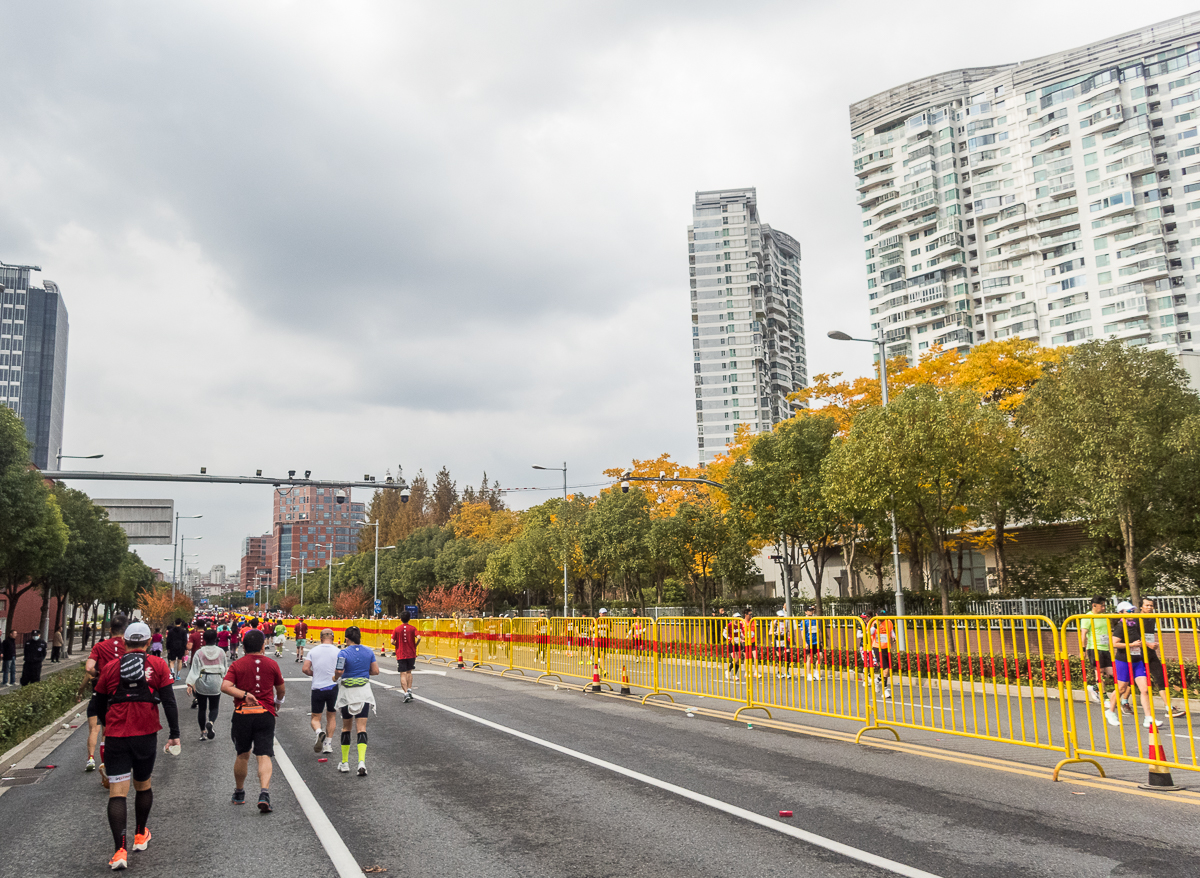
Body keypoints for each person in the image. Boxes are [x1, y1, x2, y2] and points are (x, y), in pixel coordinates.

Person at [91, 621, 180, 871]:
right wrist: (174, 733)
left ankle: (119, 851)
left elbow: (99, 700)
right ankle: (140, 835)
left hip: (117, 734)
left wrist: (105, 725)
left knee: (117, 791)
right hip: (146, 732)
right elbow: (169, 701)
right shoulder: (158, 664)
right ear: (148, 641)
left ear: (125, 642)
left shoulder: (110, 668)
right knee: (143, 785)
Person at [220, 628, 285, 812]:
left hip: (242, 713)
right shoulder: (272, 664)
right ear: (263, 646)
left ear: (243, 646)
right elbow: (281, 689)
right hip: (265, 714)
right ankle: (264, 793)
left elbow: (225, 686)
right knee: (264, 754)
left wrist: (244, 694)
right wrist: (278, 702)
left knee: (243, 754)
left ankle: (239, 792)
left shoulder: (237, 665)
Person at [85, 613, 129, 780]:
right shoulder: (128, 645)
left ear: (110, 630)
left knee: (102, 729)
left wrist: (98, 674)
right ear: (125, 631)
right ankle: (120, 765)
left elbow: (89, 667)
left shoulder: (100, 646)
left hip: (102, 692)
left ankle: (104, 765)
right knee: (119, 732)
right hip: (123, 693)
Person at [1105, 601, 1159, 729]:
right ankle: (1111, 712)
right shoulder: (1120, 627)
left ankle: (1148, 718)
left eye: (1132, 611)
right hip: (1123, 660)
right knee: (1121, 689)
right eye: (1128, 611)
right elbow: (1114, 644)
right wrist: (1131, 645)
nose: (1131, 613)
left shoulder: (1134, 624)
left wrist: (1148, 644)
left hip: (1137, 660)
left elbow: (1139, 639)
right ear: (1121, 613)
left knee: (1145, 689)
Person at [333, 626, 379, 776]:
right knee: (362, 728)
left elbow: (339, 671)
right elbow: (375, 671)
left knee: (346, 727)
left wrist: (335, 678)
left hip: (347, 692)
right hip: (364, 691)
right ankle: (361, 762)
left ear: (346, 638)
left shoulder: (343, 653)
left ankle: (345, 762)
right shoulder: (369, 652)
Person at [1140, 597, 1187, 720]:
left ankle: (1168, 708)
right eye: (1147, 605)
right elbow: (1134, 637)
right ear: (1141, 607)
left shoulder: (1152, 618)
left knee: (1161, 678)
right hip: (1138, 654)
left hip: (1150, 653)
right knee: (1126, 684)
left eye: (1151, 605)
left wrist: (1151, 645)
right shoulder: (1136, 619)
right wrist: (1148, 644)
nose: (1150, 608)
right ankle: (1120, 703)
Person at [185, 628, 229, 742]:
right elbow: (225, 668)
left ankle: (202, 732)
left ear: (204, 639)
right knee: (214, 707)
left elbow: (194, 670)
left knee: (202, 708)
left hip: (202, 680)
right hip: (216, 681)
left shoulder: (199, 652)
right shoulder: (221, 652)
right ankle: (211, 722)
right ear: (216, 639)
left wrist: (190, 684)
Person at [303, 628, 339, 755]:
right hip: (333, 687)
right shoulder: (338, 651)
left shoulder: (313, 651)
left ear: (320, 638)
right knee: (331, 716)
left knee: (315, 717)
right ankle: (328, 744)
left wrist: (315, 673)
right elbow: (341, 670)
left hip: (318, 687)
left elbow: (305, 669)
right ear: (333, 638)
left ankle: (319, 732)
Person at [1079, 596, 1113, 705]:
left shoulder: (1104, 617)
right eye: (1101, 606)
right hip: (1094, 648)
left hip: (1105, 648)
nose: (1104, 608)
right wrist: (1083, 649)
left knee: (1110, 673)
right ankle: (1104, 697)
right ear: (1094, 605)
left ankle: (1094, 687)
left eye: (1104, 605)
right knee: (1100, 672)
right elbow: (1083, 634)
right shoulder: (1088, 617)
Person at [391, 611, 420, 702]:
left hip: (401, 653)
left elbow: (392, 641)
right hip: (411, 653)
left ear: (400, 619)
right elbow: (419, 637)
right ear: (409, 619)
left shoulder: (397, 629)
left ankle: (406, 692)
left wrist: (397, 645)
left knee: (402, 673)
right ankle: (410, 689)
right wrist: (415, 645)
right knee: (409, 672)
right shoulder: (413, 628)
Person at [871, 611, 895, 699]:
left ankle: (877, 681)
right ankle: (885, 690)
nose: (882, 618)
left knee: (887, 671)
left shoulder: (889, 622)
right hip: (877, 647)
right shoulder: (874, 622)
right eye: (880, 616)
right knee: (885, 669)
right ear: (876, 615)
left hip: (886, 647)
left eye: (883, 616)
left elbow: (891, 631)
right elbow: (869, 633)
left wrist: (894, 637)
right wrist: (874, 627)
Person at [800, 606, 822, 682]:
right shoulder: (804, 620)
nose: (811, 612)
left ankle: (816, 672)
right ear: (806, 612)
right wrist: (805, 643)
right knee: (809, 658)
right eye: (809, 610)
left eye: (812, 610)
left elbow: (819, 631)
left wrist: (821, 641)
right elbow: (802, 632)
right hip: (809, 641)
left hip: (816, 641)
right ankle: (809, 674)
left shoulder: (815, 619)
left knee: (820, 656)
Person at [723, 613, 744, 682]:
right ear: (733, 618)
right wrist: (730, 639)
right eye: (737, 617)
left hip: (738, 643)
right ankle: (728, 671)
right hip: (731, 643)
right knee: (735, 659)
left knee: (738, 661)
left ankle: (734, 675)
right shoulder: (729, 625)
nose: (738, 618)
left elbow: (741, 633)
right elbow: (724, 633)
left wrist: (742, 637)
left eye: (739, 617)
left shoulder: (740, 625)